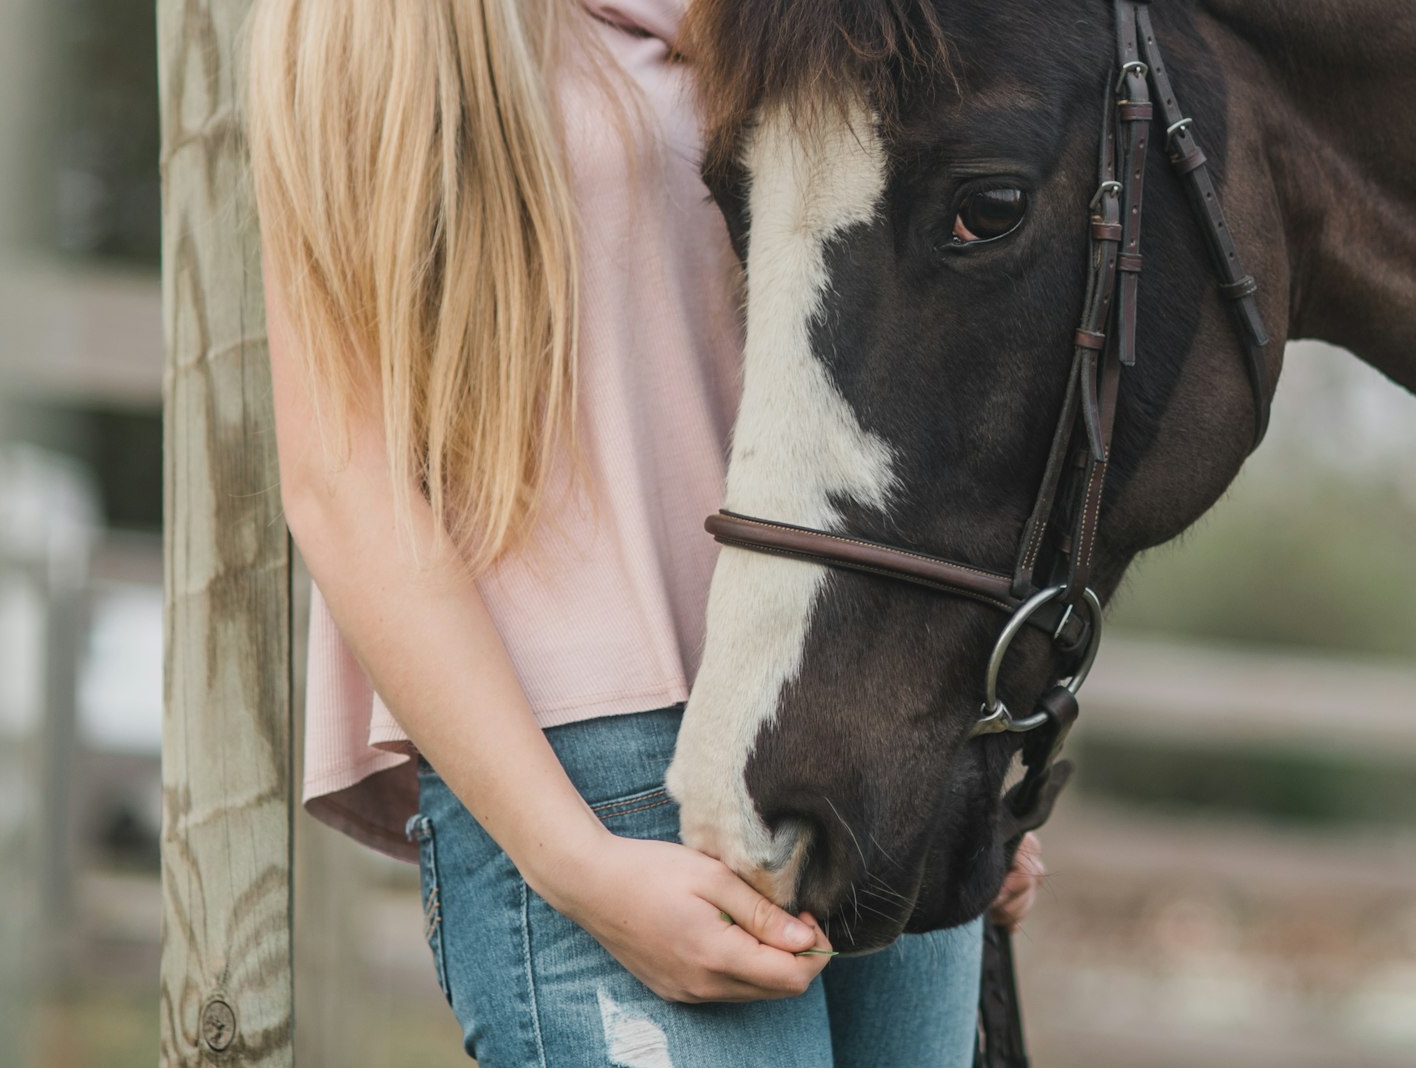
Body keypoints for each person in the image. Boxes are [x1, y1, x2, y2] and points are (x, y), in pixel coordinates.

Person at [244, 0, 1045, 1063]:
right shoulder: (388, 21)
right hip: (597, 773)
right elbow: (350, 484)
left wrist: (978, 742)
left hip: (867, 729)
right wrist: (578, 867)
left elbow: (928, 382)